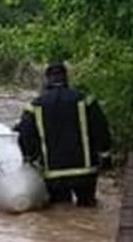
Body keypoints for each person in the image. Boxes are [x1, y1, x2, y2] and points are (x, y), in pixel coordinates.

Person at [15, 61, 112, 207]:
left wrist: (29, 159)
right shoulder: (85, 100)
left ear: (47, 79)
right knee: (87, 209)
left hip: (53, 173)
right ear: (66, 77)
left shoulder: (35, 106)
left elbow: (25, 135)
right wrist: (105, 156)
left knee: (60, 212)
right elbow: (101, 128)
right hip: (85, 172)